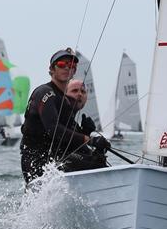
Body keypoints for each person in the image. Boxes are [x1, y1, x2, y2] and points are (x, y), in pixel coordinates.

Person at [20, 48, 106, 184]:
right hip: (37, 161)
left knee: (96, 159)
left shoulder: (64, 101)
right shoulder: (45, 92)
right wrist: (88, 139)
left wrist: (88, 135)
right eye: (61, 65)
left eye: (71, 66)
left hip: (55, 159)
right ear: (52, 69)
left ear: (74, 71)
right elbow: (54, 130)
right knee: (92, 162)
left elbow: (69, 138)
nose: (67, 68)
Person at [58, 79, 110, 173]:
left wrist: (86, 132)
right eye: (74, 91)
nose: (79, 94)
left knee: (95, 159)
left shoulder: (73, 122)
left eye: (83, 91)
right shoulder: (59, 114)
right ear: (64, 95)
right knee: (94, 162)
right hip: (53, 163)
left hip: (67, 164)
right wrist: (92, 141)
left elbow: (76, 147)